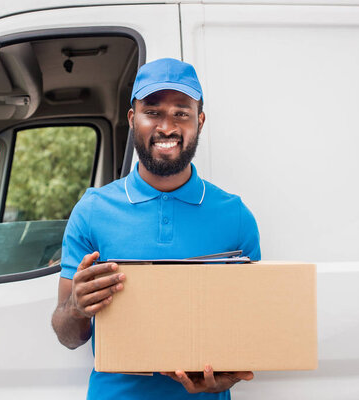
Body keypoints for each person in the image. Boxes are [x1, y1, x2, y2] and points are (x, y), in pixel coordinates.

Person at [51, 58, 260, 399]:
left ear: (200, 121)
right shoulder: (92, 211)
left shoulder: (235, 216)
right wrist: (75, 307)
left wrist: (228, 377)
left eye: (182, 112)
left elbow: (248, 333)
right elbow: (68, 336)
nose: (167, 127)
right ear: (133, 119)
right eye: (153, 111)